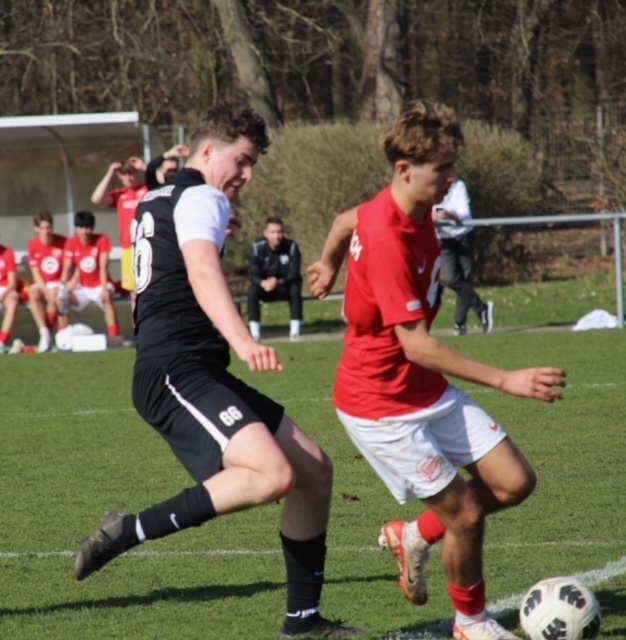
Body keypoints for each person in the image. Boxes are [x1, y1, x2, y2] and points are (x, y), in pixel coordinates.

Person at [74, 102, 360, 640]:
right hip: (174, 370)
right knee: (273, 476)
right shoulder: (203, 196)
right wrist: (243, 339)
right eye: (242, 161)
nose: (247, 175)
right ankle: (127, 530)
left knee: (314, 472)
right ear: (208, 151)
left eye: (253, 165)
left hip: (192, 366)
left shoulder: (157, 195)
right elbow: (203, 270)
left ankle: (303, 622)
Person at [307, 99, 566, 640]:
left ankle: (413, 536)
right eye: (443, 169)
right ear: (405, 169)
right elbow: (417, 346)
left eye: (453, 166)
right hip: (380, 406)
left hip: (424, 390)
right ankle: (471, 623)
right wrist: (506, 379)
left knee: (515, 483)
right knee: (465, 514)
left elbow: (342, 220)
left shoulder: (410, 207)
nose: (452, 179)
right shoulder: (388, 238)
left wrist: (328, 263)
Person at [433, 179, 493, 336]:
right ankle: (482, 308)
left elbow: (465, 214)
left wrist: (449, 215)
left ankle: (460, 323)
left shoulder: (458, 186)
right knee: (451, 279)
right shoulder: (429, 186)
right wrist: (431, 216)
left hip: (464, 235)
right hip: (444, 239)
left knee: (465, 279)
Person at [57, 211, 121, 339]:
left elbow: (103, 267)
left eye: (88, 227)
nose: (85, 231)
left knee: (107, 298)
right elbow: (67, 267)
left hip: (101, 284)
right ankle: (64, 337)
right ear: (76, 229)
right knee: (61, 299)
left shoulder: (102, 239)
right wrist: (62, 287)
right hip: (83, 287)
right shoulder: (71, 243)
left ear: (92, 228)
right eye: (81, 227)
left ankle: (115, 336)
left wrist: (104, 289)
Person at [90, 159, 149, 296]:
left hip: (149, 244)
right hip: (129, 248)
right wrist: (109, 175)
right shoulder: (120, 194)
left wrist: (145, 167)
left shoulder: (148, 189)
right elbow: (96, 199)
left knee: (152, 288)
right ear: (120, 176)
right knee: (135, 293)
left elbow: (167, 186)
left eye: (131, 173)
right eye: (124, 174)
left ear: (137, 173)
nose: (129, 178)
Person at [247, 216, 303, 341]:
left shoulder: (292, 247)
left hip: (284, 287)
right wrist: (263, 283)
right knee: (252, 292)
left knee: (295, 288)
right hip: (265, 288)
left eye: (280, 232)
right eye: (273, 232)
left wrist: (279, 282)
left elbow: (294, 273)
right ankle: (255, 333)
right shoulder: (257, 248)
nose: (277, 236)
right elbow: (253, 273)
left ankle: (295, 332)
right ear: (266, 233)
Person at [27, 210, 66, 352]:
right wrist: (46, 289)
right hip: (42, 283)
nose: (46, 231)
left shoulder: (63, 242)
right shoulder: (33, 245)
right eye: (42, 228)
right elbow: (35, 273)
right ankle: (44, 332)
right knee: (33, 294)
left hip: (59, 282)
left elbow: (68, 268)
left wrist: (60, 286)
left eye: (48, 227)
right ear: (36, 229)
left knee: (57, 297)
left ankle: (60, 336)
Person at [0, 238, 19, 354]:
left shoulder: (8, 252)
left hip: (5, 289)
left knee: (13, 301)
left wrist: (3, 295)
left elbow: (12, 283)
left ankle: (1, 342)